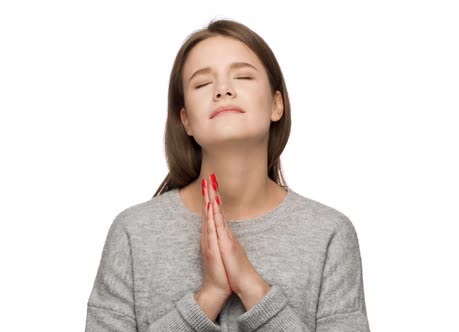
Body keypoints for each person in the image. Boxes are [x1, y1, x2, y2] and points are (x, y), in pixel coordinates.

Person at [85, 18, 371, 331]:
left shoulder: (329, 234)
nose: (222, 90)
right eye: (203, 83)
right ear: (186, 121)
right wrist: (207, 299)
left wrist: (254, 290)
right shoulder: (133, 234)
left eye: (243, 76)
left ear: (277, 105)